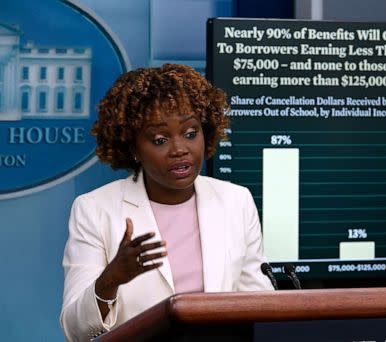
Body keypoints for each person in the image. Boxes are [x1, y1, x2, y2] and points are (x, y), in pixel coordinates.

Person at [60, 64, 273, 342]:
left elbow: (259, 304)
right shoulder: (95, 209)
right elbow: (75, 331)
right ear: (134, 147)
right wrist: (110, 280)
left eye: (190, 133)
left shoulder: (235, 201)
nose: (179, 149)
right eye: (160, 139)